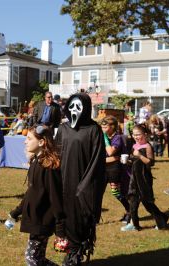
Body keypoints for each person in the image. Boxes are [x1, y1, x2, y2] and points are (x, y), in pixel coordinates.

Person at [55, 93, 105, 265]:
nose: (74, 110)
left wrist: (85, 186)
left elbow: (97, 160)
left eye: (79, 106)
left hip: (82, 184)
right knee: (63, 218)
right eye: (72, 106)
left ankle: (76, 254)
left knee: (79, 219)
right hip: (63, 181)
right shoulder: (63, 129)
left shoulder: (93, 129)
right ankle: (69, 252)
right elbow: (56, 154)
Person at [5, 125, 65, 266]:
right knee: (37, 258)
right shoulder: (36, 162)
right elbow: (31, 192)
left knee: (32, 259)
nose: (25, 141)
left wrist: (60, 229)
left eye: (29, 138)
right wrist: (16, 213)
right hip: (36, 218)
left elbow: (55, 198)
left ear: (41, 142)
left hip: (43, 219)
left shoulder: (49, 167)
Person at [121, 125, 168, 231]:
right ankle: (134, 224)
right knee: (132, 201)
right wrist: (126, 161)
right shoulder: (134, 146)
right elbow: (133, 162)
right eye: (134, 134)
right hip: (134, 178)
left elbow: (150, 162)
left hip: (144, 179)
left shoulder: (148, 146)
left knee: (147, 203)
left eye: (138, 134)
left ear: (145, 135)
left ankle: (162, 220)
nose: (136, 137)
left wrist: (140, 156)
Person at [100, 116, 130, 223]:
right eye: (102, 127)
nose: (102, 128)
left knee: (116, 192)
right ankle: (96, 216)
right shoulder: (100, 136)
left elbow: (110, 152)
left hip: (114, 169)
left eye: (105, 127)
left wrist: (104, 137)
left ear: (112, 127)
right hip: (102, 169)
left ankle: (129, 211)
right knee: (98, 193)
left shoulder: (117, 137)